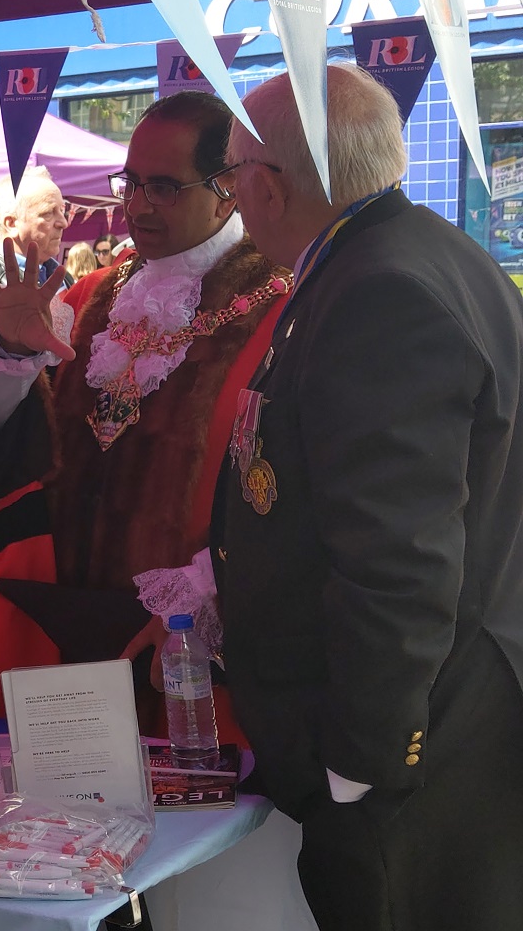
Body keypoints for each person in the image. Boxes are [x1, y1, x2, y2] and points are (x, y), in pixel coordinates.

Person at [215, 63, 523, 931]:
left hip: (416, 743)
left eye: (229, 176)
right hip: (447, 706)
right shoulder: (420, 253)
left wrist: (362, 765)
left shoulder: (378, 287)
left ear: (267, 185)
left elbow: (397, 558)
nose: (232, 200)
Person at [0, 91, 289, 719]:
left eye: (164, 187)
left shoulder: (285, 311)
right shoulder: (83, 299)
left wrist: (205, 597)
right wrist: (10, 360)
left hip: (188, 659)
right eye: (131, 183)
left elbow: (298, 497)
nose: (138, 206)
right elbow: (0, 460)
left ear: (229, 185)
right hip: (62, 647)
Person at [0, 166, 71, 289]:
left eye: (62, 210)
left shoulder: (61, 277)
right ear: (11, 224)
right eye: (48, 212)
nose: (63, 223)